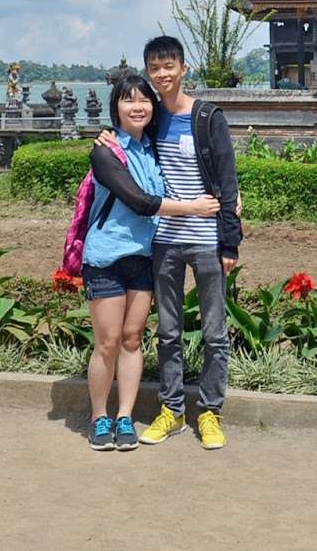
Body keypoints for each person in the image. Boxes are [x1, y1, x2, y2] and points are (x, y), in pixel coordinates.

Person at [104, 35, 243, 450]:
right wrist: (105, 138)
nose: (162, 75)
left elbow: (228, 179)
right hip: (164, 240)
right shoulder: (153, 118)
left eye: (169, 67)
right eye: (155, 68)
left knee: (215, 333)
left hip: (206, 240)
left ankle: (211, 412)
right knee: (168, 331)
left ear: (184, 68)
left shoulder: (207, 117)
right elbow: (125, 140)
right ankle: (172, 410)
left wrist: (230, 242)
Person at [82, 72, 219, 452]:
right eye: (128, 100)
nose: (138, 106)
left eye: (144, 99)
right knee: (107, 342)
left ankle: (124, 415)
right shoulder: (106, 150)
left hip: (143, 258)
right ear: (116, 108)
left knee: (131, 339)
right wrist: (193, 209)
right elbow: (139, 202)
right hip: (106, 258)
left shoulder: (153, 148)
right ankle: (98, 416)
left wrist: (229, 195)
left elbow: (190, 170)